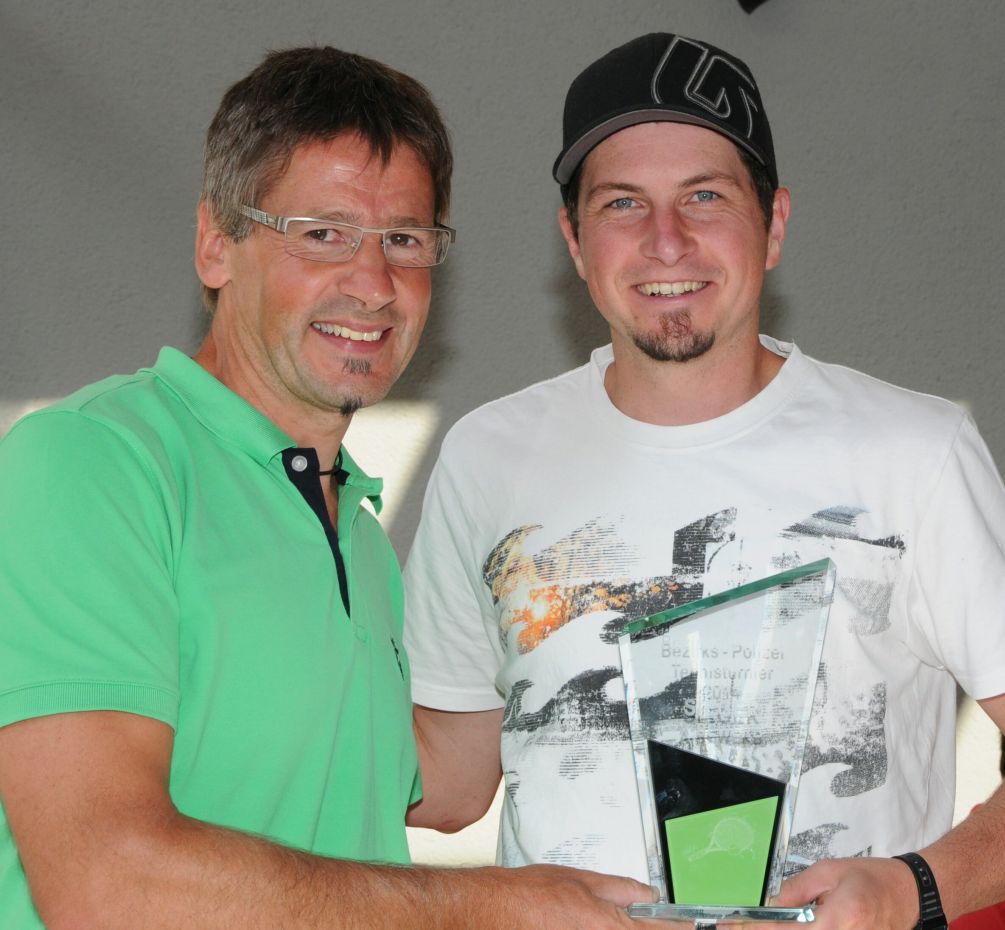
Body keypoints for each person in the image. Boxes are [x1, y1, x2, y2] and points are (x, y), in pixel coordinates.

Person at [0, 46, 654, 930]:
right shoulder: (93, 463)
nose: (374, 284)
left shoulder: (353, 529)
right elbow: (107, 884)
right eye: (322, 233)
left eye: (405, 240)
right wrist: (490, 907)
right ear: (215, 244)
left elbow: (445, 785)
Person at [403, 32, 1005, 930]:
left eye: (705, 196)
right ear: (574, 241)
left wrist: (917, 888)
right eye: (622, 203)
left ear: (774, 224)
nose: (666, 240)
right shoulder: (488, 456)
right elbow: (448, 785)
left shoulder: (914, 453)